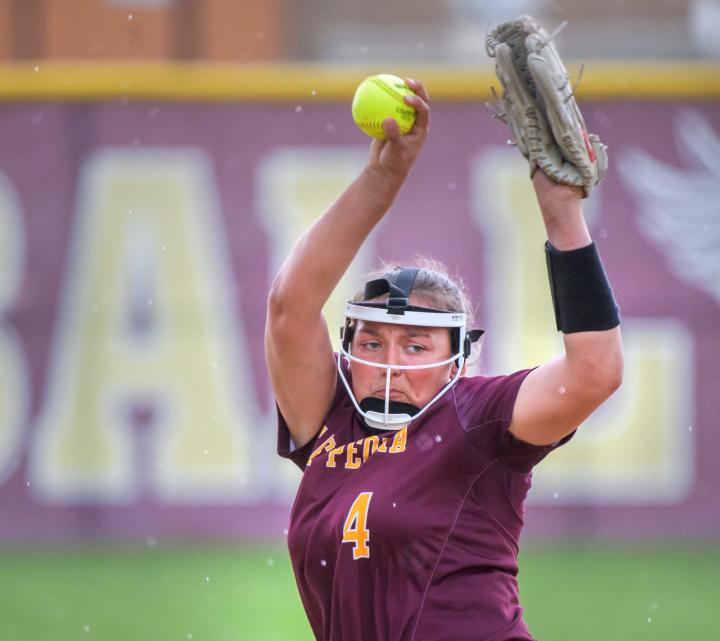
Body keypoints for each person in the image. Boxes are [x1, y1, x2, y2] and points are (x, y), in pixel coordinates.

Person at [264, 78, 623, 641]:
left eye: (414, 345)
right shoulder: (328, 421)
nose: (389, 361)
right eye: (372, 342)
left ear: (457, 360)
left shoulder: (470, 419)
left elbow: (595, 373)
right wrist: (382, 179)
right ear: (348, 349)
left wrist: (561, 213)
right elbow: (290, 307)